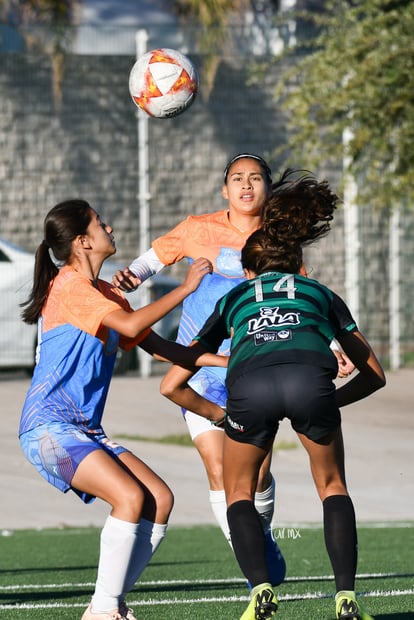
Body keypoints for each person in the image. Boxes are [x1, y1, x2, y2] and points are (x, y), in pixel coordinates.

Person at [159, 170, 386, 620]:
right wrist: (327, 402)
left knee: (238, 494)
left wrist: (220, 415)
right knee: (332, 486)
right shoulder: (318, 291)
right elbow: (374, 375)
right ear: (299, 268)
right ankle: (346, 597)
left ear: (247, 272)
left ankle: (260, 589)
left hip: (249, 386)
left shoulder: (236, 298)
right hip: (310, 385)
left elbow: (172, 385)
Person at [18, 199, 226, 620]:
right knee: (130, 497)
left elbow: (163, 349)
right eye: (100, 222)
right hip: (47, 428)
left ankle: (105, 604)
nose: (109, 226)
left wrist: (234, 361)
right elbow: (131, 328)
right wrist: (185, 288)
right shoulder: (70, 286)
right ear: (82, 241)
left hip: (83, 430)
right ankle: (106, 610)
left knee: (158, 499)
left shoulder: (108, 295)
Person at [113, 153, 287, 586]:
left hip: (256, 367)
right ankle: (255, 573)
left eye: (255, 179)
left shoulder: (281, 238)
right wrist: (133, 275)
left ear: (268, 186)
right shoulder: (198, 228)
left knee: (257, 473)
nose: (246, 186)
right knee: (218, 468)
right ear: (224, 189)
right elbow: (155, 256)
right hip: (201, 372)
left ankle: (260, 535)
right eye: (237, 179)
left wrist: (333, 344)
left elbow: (303, 295)